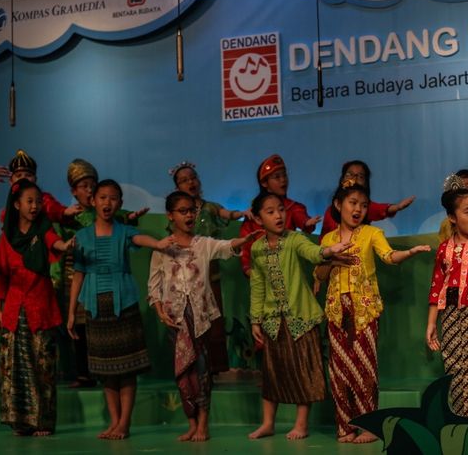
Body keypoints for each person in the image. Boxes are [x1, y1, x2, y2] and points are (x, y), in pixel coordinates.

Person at [315, 180, 431, 443]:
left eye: (364, 205)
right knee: (339, 370)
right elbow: (319, 274)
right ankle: (345, 427)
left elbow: (389, 257)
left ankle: (370, 426)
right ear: (338, 204)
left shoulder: (371, 234)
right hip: (336, 311)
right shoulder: (328, 239)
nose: (358, 210)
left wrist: (409, 252)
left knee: (365, 367)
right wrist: (330, 260)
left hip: (363, 310)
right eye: (353, 203)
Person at [148, 191, 258, 443]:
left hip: (200, 318)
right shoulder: (162, 249)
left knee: (202, 371)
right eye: (182, 211)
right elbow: (153, 286)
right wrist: (160, 312)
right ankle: (191, 423)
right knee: (182, 374)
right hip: (175, 320)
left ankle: (204, 425)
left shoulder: (203, 244)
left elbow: (226, 246)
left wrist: (243, 241)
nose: (188, 215)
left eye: (191, 210)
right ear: (170, 215)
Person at [67, 179, 172, 440]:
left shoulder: (124, 231)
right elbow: (78, 275)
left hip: (123, 305)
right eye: (102, 197)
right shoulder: (82, 237)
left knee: (126, 369)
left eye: (113, 198)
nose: (107, 202)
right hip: (94, 307)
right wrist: (71, 312)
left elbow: (139, 237)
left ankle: (125, 423)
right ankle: (114, 422)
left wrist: (158, 244)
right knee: (106, 371)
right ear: (93, 201)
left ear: (120, 204)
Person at [247, 191, 353, 441]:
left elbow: (312, 252)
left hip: (301, 319)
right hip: (274, 321)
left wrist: (328, 251)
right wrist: (255, 319)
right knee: (272, 373)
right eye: (270, 211)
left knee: (303, 370)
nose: (278, 215)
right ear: (258, 219)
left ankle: (302, 424)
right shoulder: (257, 248)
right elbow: (258, 286)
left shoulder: (294, 239)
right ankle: (268, 423)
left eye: (281, 209)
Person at [0, 150, 81, 389]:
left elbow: (52, 233)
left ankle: (70, 372)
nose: (22, 178)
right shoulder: (9, 222)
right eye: (18, 174)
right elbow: (1, 271)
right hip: (15, 299)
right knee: (13, 350)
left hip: (44, 286)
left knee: (46, 344)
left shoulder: (42, 210)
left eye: (27, 174)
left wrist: (65, 221)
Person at [0, 179, 74, 436]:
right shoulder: (7, 237)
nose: (35, 206)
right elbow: (0, 275)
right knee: (14, 366)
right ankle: (20, 421)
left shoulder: (43, 230)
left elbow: (54, 243)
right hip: (14, 309)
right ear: (16, 205)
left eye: (38, 201)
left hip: (40, 305)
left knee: (43, 365)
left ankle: (43, 421)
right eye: (29, 201)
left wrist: (66, 246)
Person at [56, 159, 148, 389]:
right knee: (79, 326)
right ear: (74, 191)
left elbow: (127, 230)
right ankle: (82, 373)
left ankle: (118, 407)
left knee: (111, 342)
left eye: (91, 185)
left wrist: (133, 220)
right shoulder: (70, 216)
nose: (89, 190)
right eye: (83, 186)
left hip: (112, 286)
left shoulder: (115, 221)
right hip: (79, 276)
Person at [170, 161, 250, 373]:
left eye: (193, 178)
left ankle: (220, 365)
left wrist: (243, 213)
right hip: (188, 274)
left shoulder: (209, 207)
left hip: (210, 271)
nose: (191, 182)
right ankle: (198, 366)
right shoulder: (179, 215)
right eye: (184, 180)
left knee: (215, 318)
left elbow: (227, 214)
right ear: (177, 187)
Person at [426, 174, 468, 416]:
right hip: (452, 316)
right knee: (455, 367)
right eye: (467, 212)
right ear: (452, 218)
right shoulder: (444, 249)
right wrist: (432, 323)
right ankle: (461, 422)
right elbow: (437, 287)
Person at [238, 154, 320, 277]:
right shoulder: (254, 211)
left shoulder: (293, 207)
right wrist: (247, 268)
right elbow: (246, 242)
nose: (283, 180)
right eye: (277, 177)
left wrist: (306, 223)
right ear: (264, 183)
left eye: (284, 175)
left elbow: (300, 217)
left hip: (288, 268)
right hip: (263, 271)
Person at [319, 160, 415, 239]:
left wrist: (397, 207)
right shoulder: (330, 211)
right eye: (349, 174)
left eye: (360, 176)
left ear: (366, 183)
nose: (354, 179)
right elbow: (323, 240)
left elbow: (380, 209)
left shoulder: (366, 207)